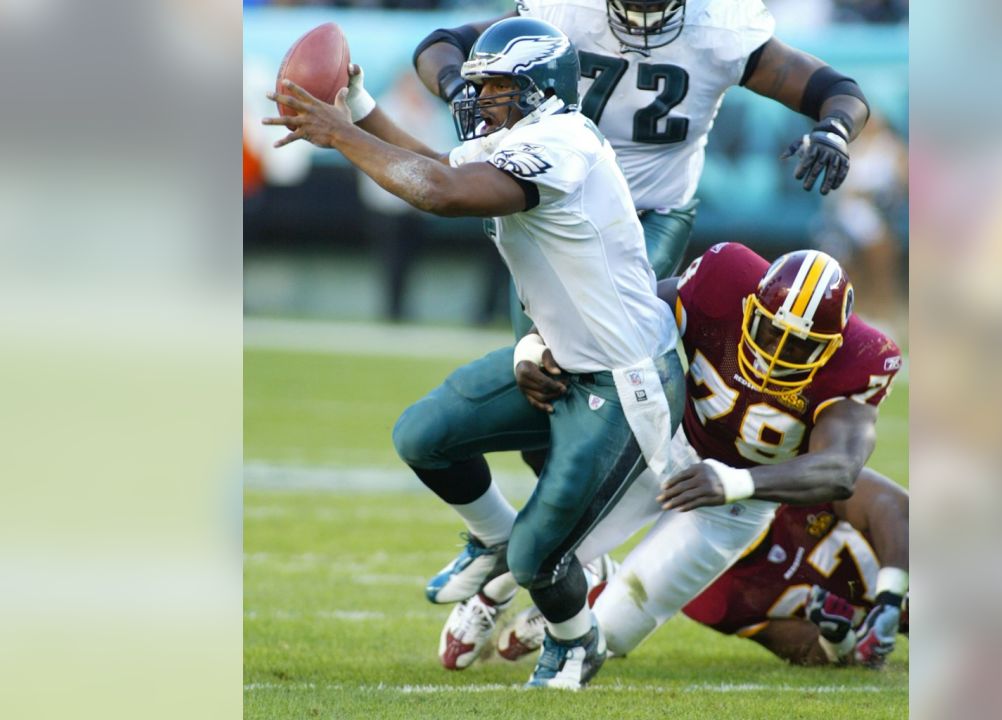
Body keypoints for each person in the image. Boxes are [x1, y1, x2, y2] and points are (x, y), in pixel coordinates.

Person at [264, 17, 686, 690]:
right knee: (425, 436)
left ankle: (577, 643)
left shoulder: (563, 142)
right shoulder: (517, 137)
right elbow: (432, 166)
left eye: (495, 88)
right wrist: (359, 109)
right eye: (479, 85)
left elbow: (441, 193)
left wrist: (338, 134)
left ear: (541, 91)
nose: (477, 99)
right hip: (563, 363)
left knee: (540, 556)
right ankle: (491, 537)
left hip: (625, 378)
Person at [442, 242, 902, 668]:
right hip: (662, 441)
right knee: (548, 537)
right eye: (770, 330)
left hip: (736, 503)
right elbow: (622, 313)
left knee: (613, 634)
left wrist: (734, 482)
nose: (778, 353)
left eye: (802, 345)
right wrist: (535, 343)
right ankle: (489, 595)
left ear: (833, 346)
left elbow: (841, 471)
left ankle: (574, 600)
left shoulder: (862, 360)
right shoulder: (725, 279)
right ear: (750, 306)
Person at [411, 0, 871, 337]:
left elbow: (835, 88)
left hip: (652, 210)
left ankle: (666, 448)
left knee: (580, 338)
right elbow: (443, 44)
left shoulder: (719, 26)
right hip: (556, 205)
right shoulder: (568, 11)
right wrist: (457, 86)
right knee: (535, 363)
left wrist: (836, 128)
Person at [680, 466, 908, 667]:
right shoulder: (707, 593)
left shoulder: (792, 479)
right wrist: (835, 638)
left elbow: (895, 507)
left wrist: (890, 598)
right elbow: (810, 650)